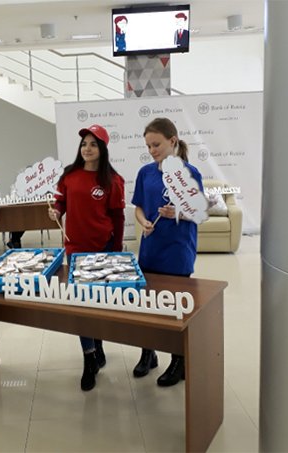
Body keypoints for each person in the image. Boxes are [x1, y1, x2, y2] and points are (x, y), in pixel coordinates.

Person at [48, 124, 125, 391]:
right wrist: (57, 212)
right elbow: (61, 203)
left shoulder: (113, 180)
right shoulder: (69, 175)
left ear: (102, 148)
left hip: (102, 248)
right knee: (81, 304)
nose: (87, 148)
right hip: (75, 249)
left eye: (93, 144)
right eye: (84, 144)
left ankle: (98, 344)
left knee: (98, 303)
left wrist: (116, 251)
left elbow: (118, 217)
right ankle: (89, 358)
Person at [131, 117, 203, 387]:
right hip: (150, 250)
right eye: (148, 146)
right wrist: (144, 222)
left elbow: (198, 213)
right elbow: (138, 207)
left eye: (156, 145)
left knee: (175, 310)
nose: (152, 151)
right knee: (147, 307)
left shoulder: (190, 173)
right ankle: (148, 353)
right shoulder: (145, 173)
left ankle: (178, 360)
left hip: (177, 252)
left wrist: (178, 213)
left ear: (172, 141)